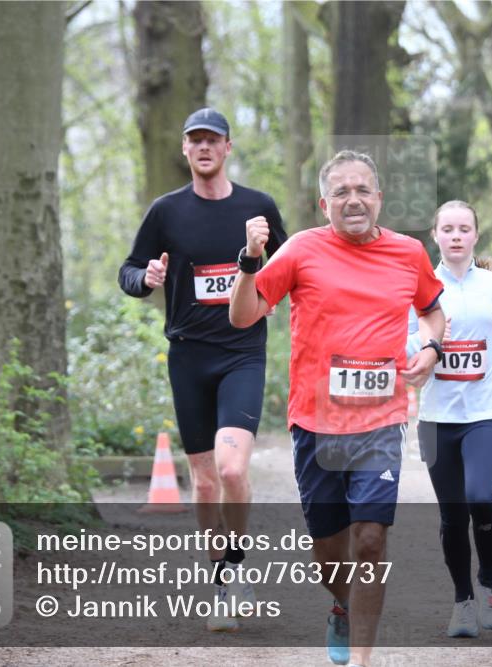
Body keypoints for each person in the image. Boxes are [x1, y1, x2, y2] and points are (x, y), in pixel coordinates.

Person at [229, 150, 445, 667]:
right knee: (329, 550)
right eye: (341, 192)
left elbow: (433, 311)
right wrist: (248, 261)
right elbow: (242, 316)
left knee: (370, 538)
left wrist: (431, 350)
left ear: (379, 199)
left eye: (363, 190)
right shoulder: (302, 250)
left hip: (381, 419)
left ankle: (365, 659)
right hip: (316, 421)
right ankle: (341, 605)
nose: (353, 199)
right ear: (324, 203)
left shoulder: (407, 252)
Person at [118, 107, 288, 632]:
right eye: (195, 140)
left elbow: (292, 270)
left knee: (234, 469)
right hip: (189, 355)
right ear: (185, 150)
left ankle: (237, 570)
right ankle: (219, 578)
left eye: (213, 139)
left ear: (229, 148)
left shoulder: (258, 207)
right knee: (205, 482)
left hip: (242, 352)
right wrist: (145, 278)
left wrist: (264, 270)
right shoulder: (166, 212)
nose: (204, 147)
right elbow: (127, 270)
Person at [407, 200, 492, 638]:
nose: (456, 235)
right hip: (437, 415)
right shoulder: (419, 284)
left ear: (476, 236)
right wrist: (418, 353)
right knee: (451, 515)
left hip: (485, 411)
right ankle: (462, 601)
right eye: (448, 229)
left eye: (464, 228)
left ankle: (491, 578)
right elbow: (405, 335)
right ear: (435, 235)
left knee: (481, 496)